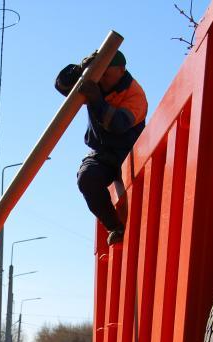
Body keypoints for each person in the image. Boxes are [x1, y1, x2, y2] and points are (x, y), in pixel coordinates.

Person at [56, 49, 148, 245]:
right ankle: (115, 227)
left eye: (106, 74)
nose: (102, 79)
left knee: (138, 198)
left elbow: (118, 125)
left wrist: (97, 100)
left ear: (121, 70)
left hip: (129, 154)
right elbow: (63, 87)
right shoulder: (96, 81)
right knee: (87, 178)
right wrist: (79, 71)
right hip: (102, 153)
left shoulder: (135, 94)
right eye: (101, 73)